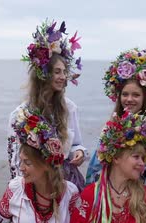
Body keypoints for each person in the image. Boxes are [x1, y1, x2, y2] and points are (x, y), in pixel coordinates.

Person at [85, 48, 146, 207]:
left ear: (145, 98)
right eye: (125, 94)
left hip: (139, 204)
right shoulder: (109, 127)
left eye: (136, 95)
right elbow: (97, 168)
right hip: (110, 203)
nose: (129, 99)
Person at [7, 19, 87, 191]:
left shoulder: (69, 108)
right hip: (36, 186)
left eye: (65, 72)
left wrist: (79, 153)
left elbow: (76, 144)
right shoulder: (20, 114)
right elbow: (15, 161)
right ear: (43, 74)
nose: (63, 77)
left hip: (66, 183)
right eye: (57, 72)